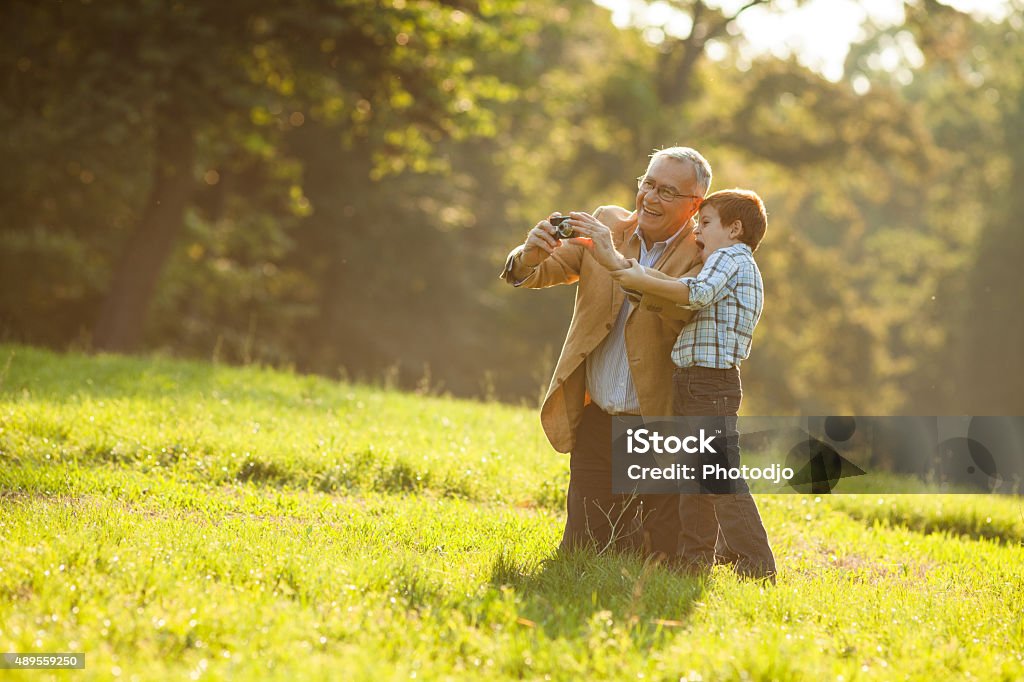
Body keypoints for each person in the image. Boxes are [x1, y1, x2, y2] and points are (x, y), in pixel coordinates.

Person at [499, 147, 711, 557]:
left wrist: (615, 262)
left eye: (667, 191)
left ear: (694, 205)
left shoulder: (704, 253)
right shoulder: (607, 223)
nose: (650, 198)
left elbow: (679, 310)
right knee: (582, 552)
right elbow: (539, 272)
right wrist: (528, 256)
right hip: (597, 422)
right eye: (647, 184)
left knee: (658, 556)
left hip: (658, 427)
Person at [590, 188, 777, 580]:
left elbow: (696, 293)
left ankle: (757, 565)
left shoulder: (729, 257)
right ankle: (694, 561)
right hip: (700, 383)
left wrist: (631, 273)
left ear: (735, 228)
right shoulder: (738, 262)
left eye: (705, 223)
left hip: (709, 384)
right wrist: (639, 278)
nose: (697, 234)